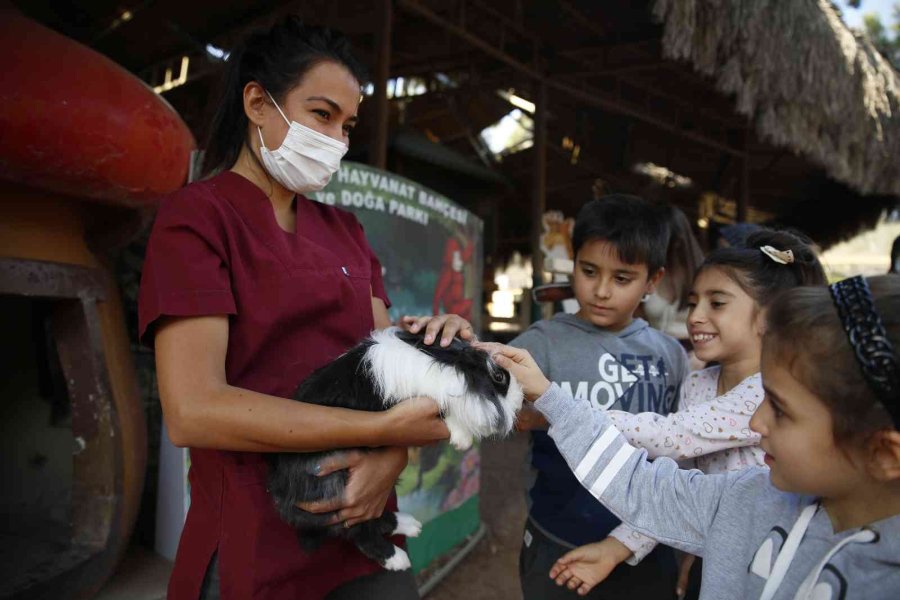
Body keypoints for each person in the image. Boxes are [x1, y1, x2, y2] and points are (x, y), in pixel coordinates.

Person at [138, 17, 468, 600]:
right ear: (257, 104)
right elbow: (194, 409)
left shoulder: (345, 230)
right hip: (255, 540)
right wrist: (382, 433)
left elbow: (383, 375)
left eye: (348, 125)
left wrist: (395, 446)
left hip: (367, 528)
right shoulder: (198, 218)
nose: (337, 139)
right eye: (322, 115)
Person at [485, 274, 900, 599]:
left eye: (781, 409)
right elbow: (642, 487)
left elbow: (668, 440)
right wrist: (553, 401)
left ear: (884, 453)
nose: (757, 423)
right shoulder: (749, 499)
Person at [547, 229, 827, 597]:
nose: (695, 316)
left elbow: (671, 437)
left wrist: (559, 406)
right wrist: (616, 548)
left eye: (717, 303)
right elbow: (679, 483)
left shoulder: (765, 393)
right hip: (716, 554)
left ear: (769, 315)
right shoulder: (697, 383)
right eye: (693, 302)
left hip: (770, 563)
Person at [511, 195, 690, 599]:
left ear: (653, 281)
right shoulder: (540, 345)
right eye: (589, 271)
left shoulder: (670, 356)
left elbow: (681, 458)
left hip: (645, 546)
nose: (602, 291)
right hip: (556, 539)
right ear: (573, 263)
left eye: (622, 278)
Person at [640, 205, 705, 343]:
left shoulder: (703, 274)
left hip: (694, 348)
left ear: (678, 242)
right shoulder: (647, 271)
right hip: (653, 347)